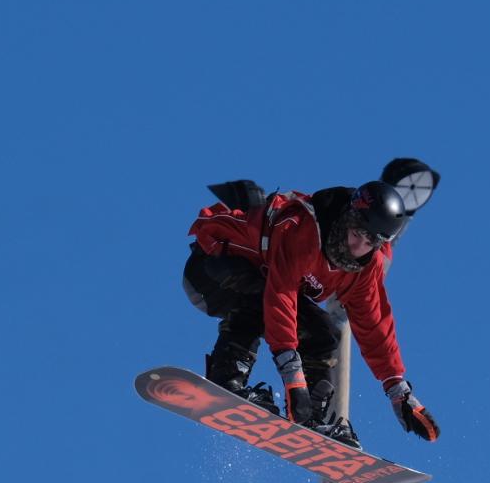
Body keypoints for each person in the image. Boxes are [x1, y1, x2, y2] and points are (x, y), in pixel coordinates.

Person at [180, 159, 441, 449]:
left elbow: (373, 324)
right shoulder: (304, 227)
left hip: (263, 287)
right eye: (356, 234)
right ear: (348, 218)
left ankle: (313, 417)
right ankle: (226, 376)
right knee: (261, 295)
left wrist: (398, 390)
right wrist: (293, 381)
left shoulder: (364, 269)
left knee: (323, 336)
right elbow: (280, 296)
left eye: (370, 243)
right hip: (211, 268)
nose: (358, 248)